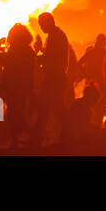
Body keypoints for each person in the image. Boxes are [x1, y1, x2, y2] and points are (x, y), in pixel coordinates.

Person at [34, 12, 71, 146]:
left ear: (48, 22)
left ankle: (68, 135)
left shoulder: (56, 36)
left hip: (54, 78)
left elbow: (53, 57)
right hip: (53, 77)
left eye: (41, 24)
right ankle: (40, 138)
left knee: (54, 108)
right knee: (48, 108)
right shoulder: (55, 36)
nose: (41, 27)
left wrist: (37, 57)